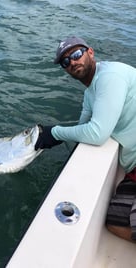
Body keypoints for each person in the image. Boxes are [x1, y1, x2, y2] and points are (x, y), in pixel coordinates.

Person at [35, 36, 136, 242]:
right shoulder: (91, 92)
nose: (72, 62)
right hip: (133, 168)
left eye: (76, 54)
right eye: (65, 61)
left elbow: (97, 134)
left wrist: (54, 133)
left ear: (90, 52)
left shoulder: (110, 76)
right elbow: (83, 128)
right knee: (115, 222)